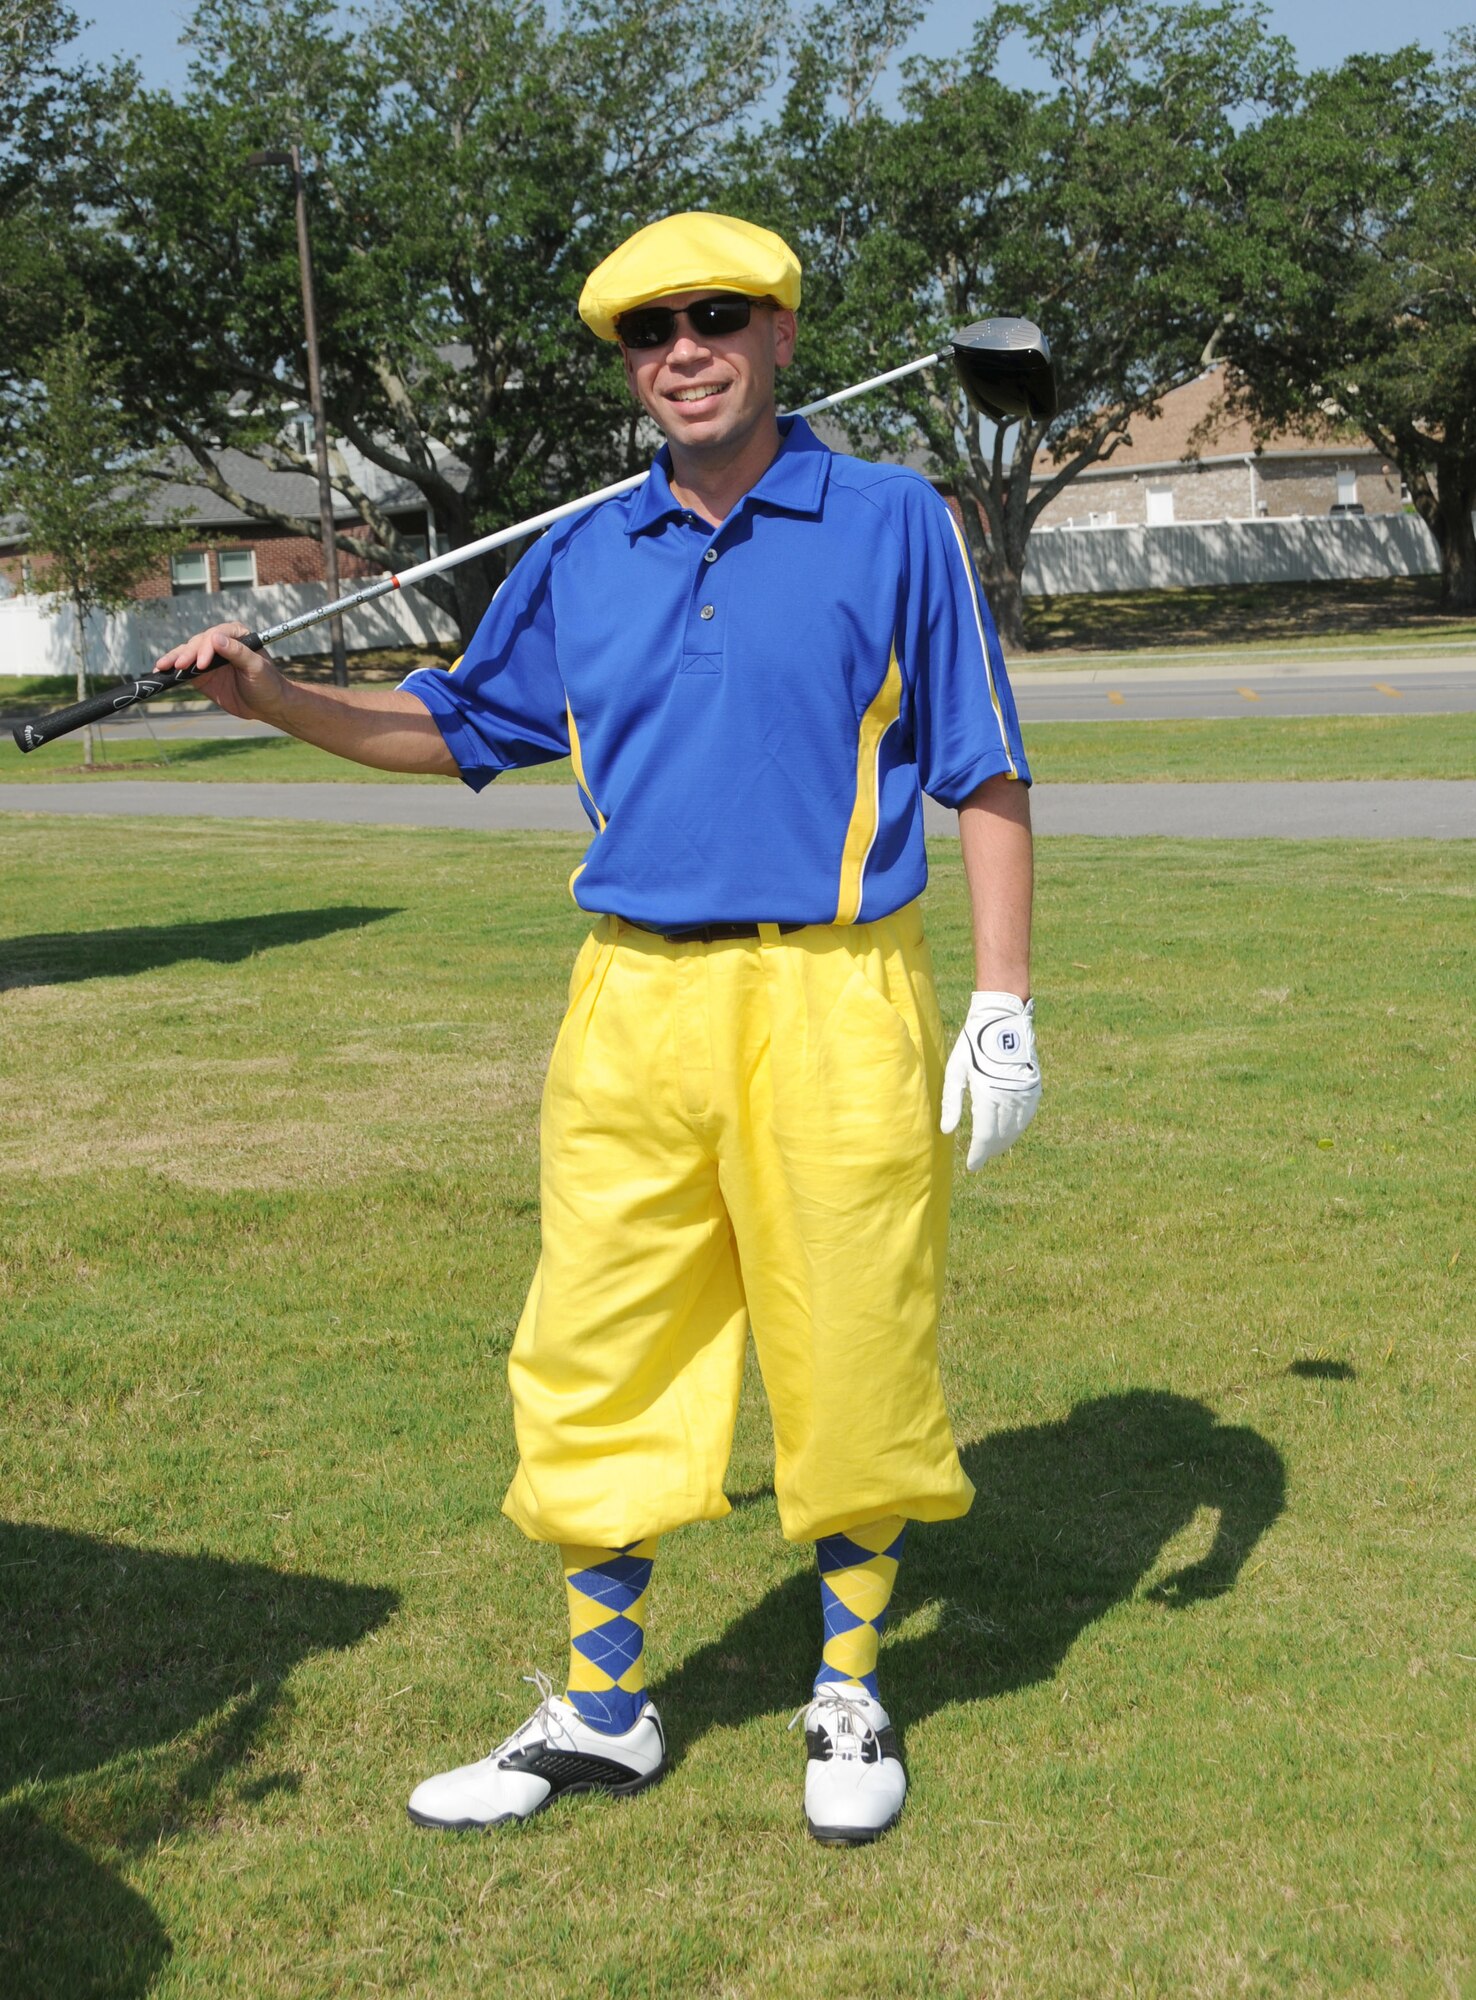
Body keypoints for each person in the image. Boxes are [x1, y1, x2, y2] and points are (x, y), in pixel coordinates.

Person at [158, 211, 1041, 1847]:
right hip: (628, 996)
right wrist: (273, 700)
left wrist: (1001, 1002)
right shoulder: (582, 552)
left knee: (850, 1345)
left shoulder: (890, 520)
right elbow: (457, 726)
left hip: (834, 994)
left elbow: (981, 765)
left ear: (780, 335)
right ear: (628, 365)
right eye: (648, 332)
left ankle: (847, 1685)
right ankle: (607, 1712)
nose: (681, 351)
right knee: (598, 1349)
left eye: (716, 317)